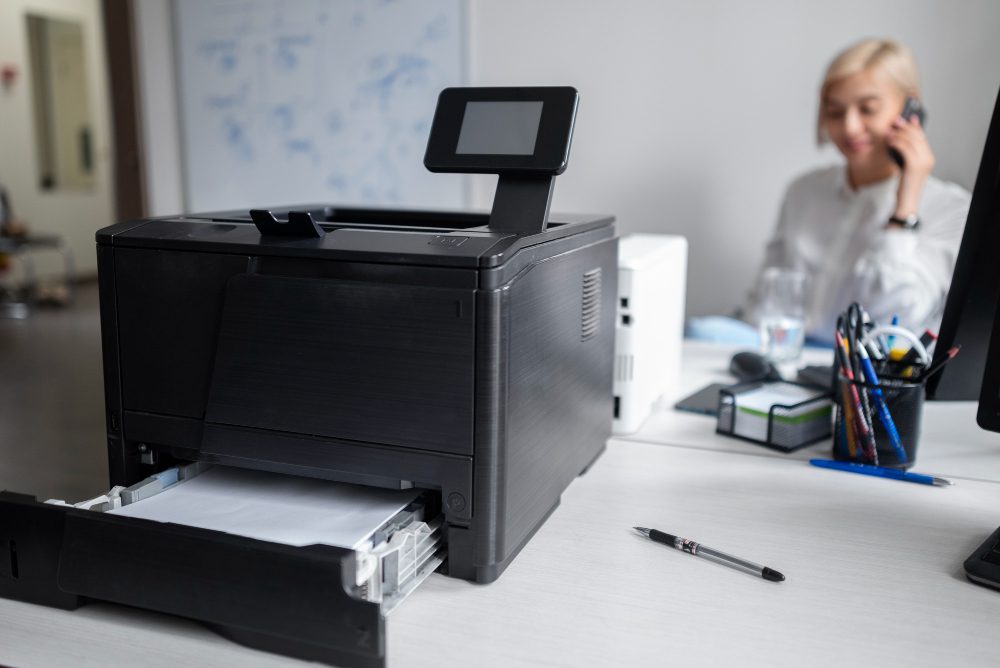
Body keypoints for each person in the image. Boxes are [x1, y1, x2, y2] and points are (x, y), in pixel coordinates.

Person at [743, 38, 971, 343]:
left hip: (864, 367)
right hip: (786, 354)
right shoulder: (803, 191)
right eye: (835, 112)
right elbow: (764, 301)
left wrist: (904, 209)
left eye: (868, 109)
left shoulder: (952, 210)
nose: (850, 127)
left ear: (910, 110)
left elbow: (897, 320)